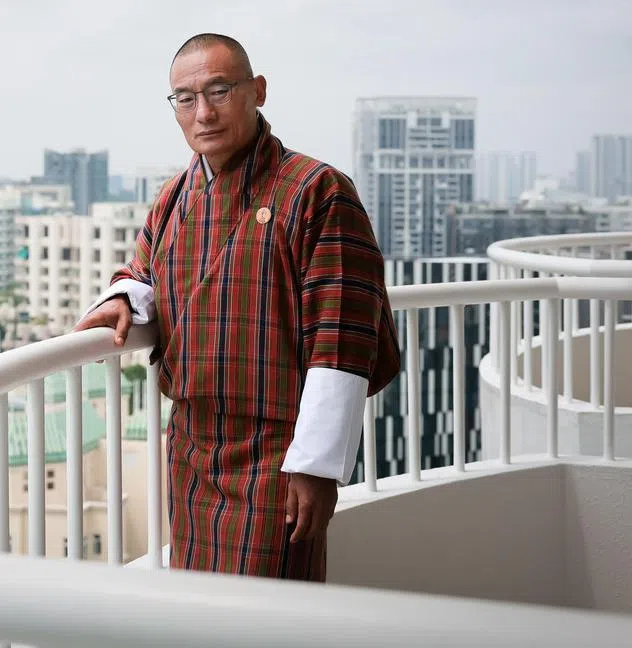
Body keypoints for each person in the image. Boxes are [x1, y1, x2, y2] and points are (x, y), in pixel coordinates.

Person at [73, 33, 400, 581]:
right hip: (192, 447)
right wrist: (125, 299)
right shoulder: (174, 195)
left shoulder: (318, 189)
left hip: (276, 452)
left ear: (258, 92)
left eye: (220, 90)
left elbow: (341, 338)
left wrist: (316, 466)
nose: (203, 112)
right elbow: (145, 272)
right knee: (200, 610)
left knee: (268, 617)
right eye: (185, 97)